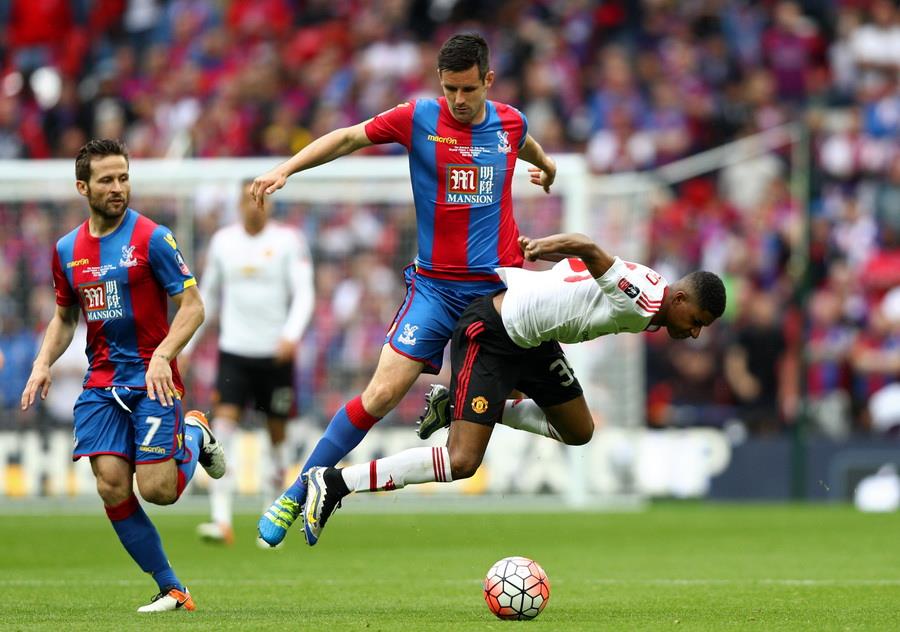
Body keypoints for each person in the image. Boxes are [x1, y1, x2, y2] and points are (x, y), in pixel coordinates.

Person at [253, 32, 558, 546]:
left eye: (468, 89)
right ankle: (297, 490)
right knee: (380, 393)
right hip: (436, 290)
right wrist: (287, 168)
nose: (458, 100)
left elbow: (526, 143)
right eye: (449, 89)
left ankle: (453, 403)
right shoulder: (418, 117)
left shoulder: (510, 121)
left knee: (520, 397)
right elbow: (348, 138)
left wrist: (546, 168)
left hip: (498, 294)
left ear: (488, 80)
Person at [300, 232, 726, 545]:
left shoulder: (654, 291)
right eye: (696, 322)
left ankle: (455, 406)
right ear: (680, 299)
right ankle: (337, 482)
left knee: (578, 429)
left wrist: (548, 259)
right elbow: (587, 249)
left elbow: (579, 264)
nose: (694, 333)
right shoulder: (644, 299)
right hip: (495, 332)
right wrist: (540, 248)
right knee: (462, 460)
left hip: (537, 341)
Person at [19, 139, 225, 613]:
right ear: (83, 187)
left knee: (158, 491)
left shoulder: (153, 238)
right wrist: (42, 362)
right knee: (111, 484)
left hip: (153, 379)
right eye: (107, 180)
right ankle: (172, 588)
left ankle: (195, 431)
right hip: (101, 383)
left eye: (124, 178)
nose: (118, 188)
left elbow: (193, 307)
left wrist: (164, 355)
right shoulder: (66, 250)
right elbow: (65, 317)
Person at [189, 181, 314, 546]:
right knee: (222, 431)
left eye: (261, 198)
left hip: (275, 355)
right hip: (235, 353)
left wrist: (291, 334)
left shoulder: (289, 241)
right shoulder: (223, 242)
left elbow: (304, 292)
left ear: (270, 204)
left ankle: (271, 519)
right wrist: (189, 344)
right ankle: (221, 519)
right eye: (248, 199)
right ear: (239, 204)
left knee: (276, 439)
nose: (255, 205)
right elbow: (208, 296)